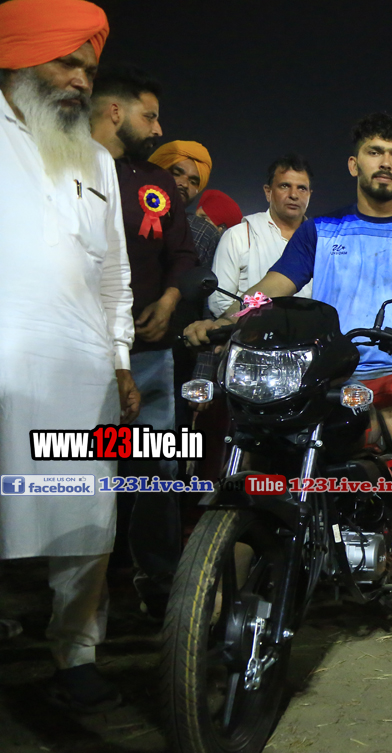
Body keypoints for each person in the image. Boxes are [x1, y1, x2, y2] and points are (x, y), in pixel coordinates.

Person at [183, 112, 392, 674]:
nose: (386, 163)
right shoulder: (321, 231)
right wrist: (230, 319)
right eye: (376, 152)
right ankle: (206, 609)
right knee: (255, 476)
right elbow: (271, 288)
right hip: (329, 376)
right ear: (355, 164)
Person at [0, 0, 138, 711]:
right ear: (17, 58)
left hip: (85, 370)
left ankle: (76, 652)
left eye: (89, 67)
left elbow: (114, 273)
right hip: (6, 363)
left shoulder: (97, 161)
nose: (82, 81)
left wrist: (120, 358)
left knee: (89, 520)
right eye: (67, 63)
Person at [90, 63, 197, 617]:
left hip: (150, 352)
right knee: (77, 466)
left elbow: (183, 253)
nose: (158, 129)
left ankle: (158, 583)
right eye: (149, 116)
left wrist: (170, 300)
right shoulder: (64, 170)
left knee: (156, 468)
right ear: (116, 110)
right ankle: (78, 586)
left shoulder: (154, 183)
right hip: (80, 353)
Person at [210, 154, 314, 315]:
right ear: (268, 192)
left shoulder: (322, 242)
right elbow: (219, 302)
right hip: (248, 329)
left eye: (302, 188)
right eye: (285, 186)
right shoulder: (239, 236)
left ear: (309, 195)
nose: (294, 195)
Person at [148, 140, 218, 268]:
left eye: (193, 182)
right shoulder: (121, 208)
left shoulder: (201, 232)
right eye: (176, 174)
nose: (184, 184)